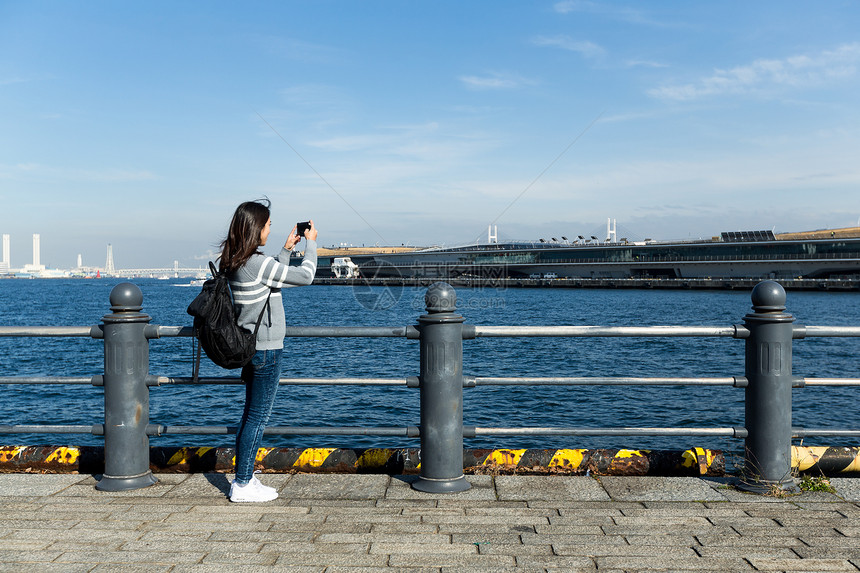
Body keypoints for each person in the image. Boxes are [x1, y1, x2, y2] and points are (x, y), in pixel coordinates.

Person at [218, 199, 318, 502]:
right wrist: (310, 246)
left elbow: (268, 275)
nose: (271, 229)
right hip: (267, 349)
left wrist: (286, 250)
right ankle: (243, 484)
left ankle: (245, 478)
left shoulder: (236, 260)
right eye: (269, 225)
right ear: (257, 228)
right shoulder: (255, 263)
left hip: (250, 347)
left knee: (250, 415)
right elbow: (306, 276)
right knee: (257, 417)